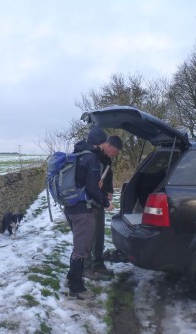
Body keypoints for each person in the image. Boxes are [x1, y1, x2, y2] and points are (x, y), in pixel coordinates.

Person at [64, 126, 114, 299]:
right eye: (105, 142)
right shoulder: (91, 158)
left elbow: (83, 182)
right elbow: (92, 188)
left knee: (79, 247)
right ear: (100, 143)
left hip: (70, 207)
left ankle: (71, 278)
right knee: (81, 250)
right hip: (82, 210)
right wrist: (106, 202)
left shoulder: (78, 154)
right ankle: (76, 289)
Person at [83, 135, 123, 280]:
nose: (115, 154)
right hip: (88, 202)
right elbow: (92, 185)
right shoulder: (93, 157)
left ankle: (98, 264)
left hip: (99, 201)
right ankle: (85, 268)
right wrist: (106, 200)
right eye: (116, 151)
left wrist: (110, 191)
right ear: (109, 146)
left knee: (99, 234)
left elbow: (108, 175)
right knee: (89, 235)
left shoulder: (106, 159)